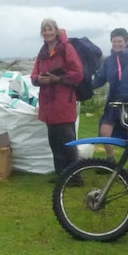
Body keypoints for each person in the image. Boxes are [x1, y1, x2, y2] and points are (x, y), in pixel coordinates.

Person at [29, 18, 83, 180]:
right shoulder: (43, 52)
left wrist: (56, 79)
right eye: (44, 30)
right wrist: (39, 79)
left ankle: (74, 177)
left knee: (67, 141)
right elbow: (33, 75)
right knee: (54, 142)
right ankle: (61, 175)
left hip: (63, 102)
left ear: (56, 31)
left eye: (50, 29)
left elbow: (78, 74)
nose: (47, 33)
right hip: (48, 104)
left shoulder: (67, 49)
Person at [91, 28, 128, 175]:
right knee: (104, 132)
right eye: (114, 41)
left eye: (120, 41)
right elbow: (100, 79)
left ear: (126, 42)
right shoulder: (108, 61)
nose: (117, 44)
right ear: (111, 42)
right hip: (113, 104)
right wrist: (85, 87)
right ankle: (111, 161)